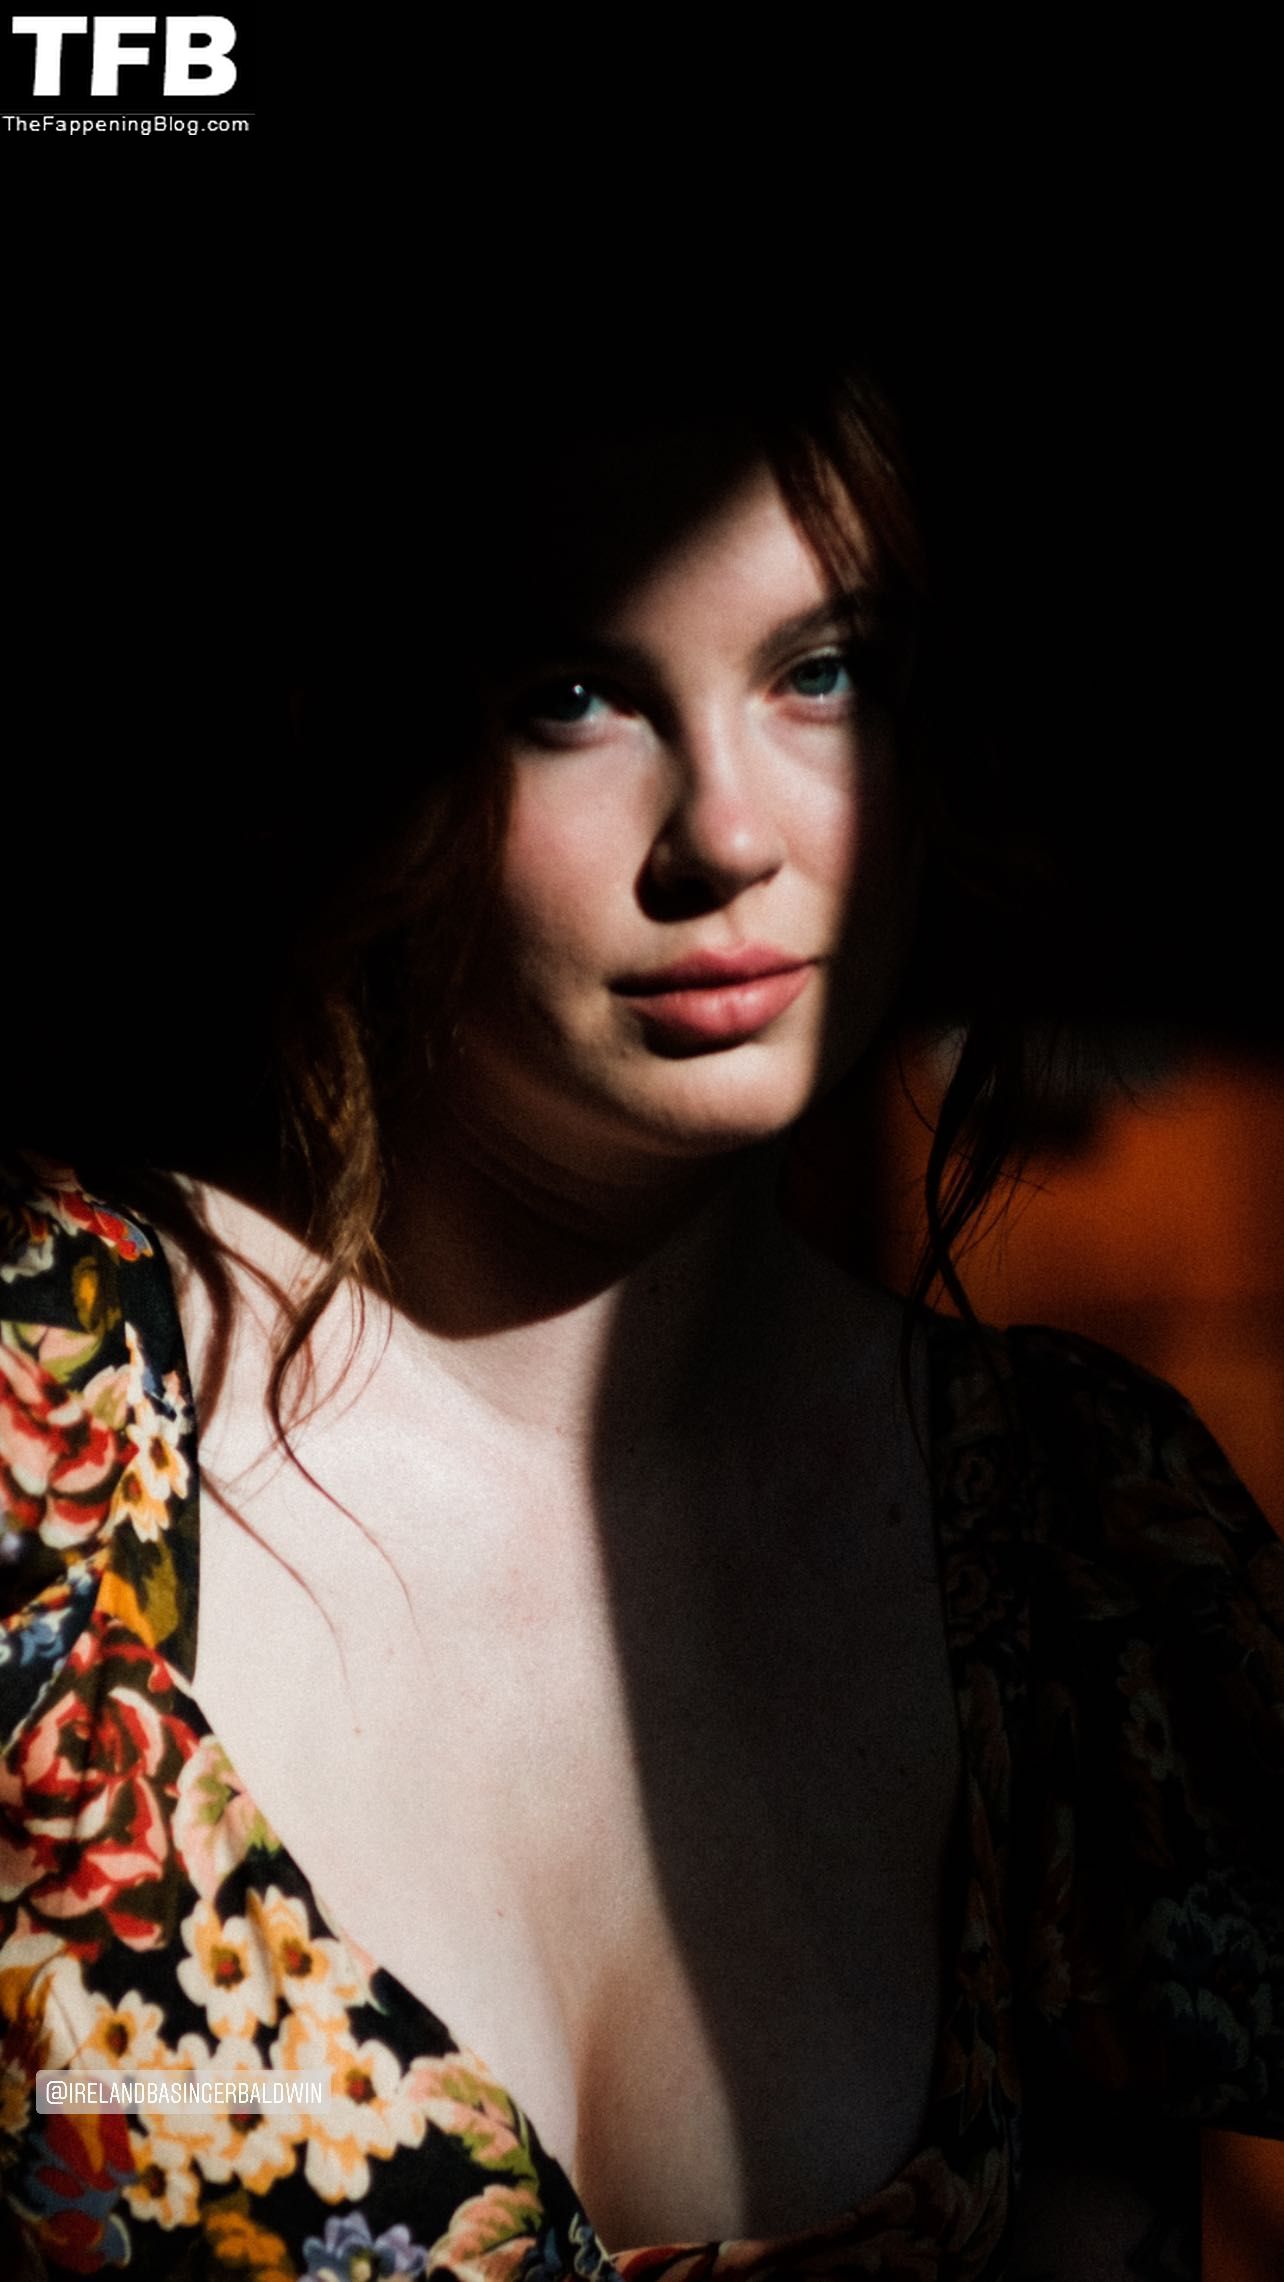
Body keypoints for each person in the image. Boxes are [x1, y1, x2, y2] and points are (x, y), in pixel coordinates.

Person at [2, 337, 1281, 2282]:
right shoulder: (47, 1420)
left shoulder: (1079, 1548)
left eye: (820, 670)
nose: (732, 837)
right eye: (578, 695)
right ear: (364, 739)